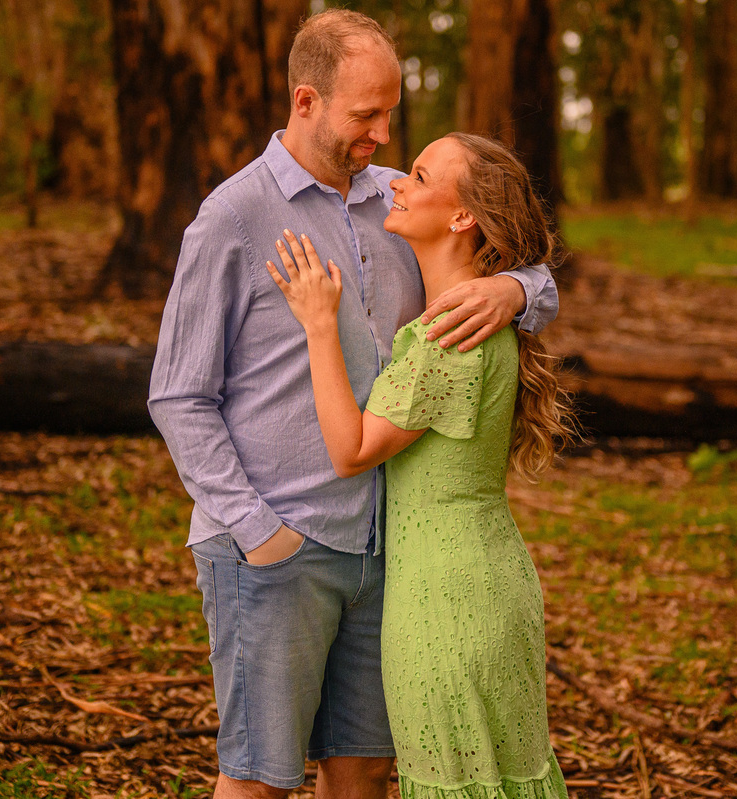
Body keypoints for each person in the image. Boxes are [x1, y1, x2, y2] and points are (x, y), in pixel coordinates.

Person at [147, 10, 557, 799]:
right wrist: (260, 532)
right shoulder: (233, 218)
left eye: (391, 113)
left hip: (389, 554)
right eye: (366, 115)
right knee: (260, 778)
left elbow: (505, 245)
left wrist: (515, 288)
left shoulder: (398, 201)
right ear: (306, 101)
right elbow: (178, 395)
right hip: (280, 549)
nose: (383, 134)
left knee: (364, 769)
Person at [266, 130, 573, 799]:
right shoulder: (478, 315)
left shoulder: (449, 335)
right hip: (481, 578)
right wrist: (515, 288)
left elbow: (351, 450)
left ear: (462, 217)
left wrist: (319, 324)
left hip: (448, 596)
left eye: (421, 176)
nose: (398, 183)